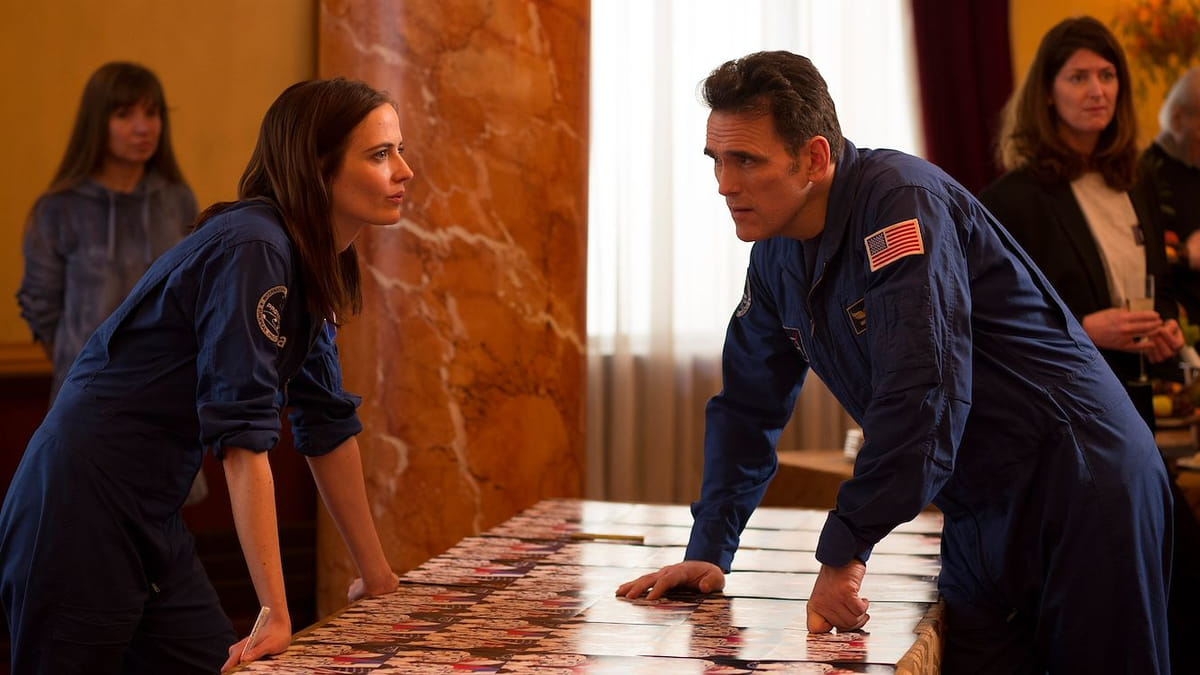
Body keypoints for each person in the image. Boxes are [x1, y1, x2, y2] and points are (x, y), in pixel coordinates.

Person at [615, 50, 1172, 673]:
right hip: (977, 502)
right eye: (716, 160)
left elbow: (922, 391)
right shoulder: (774, 254)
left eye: (746, 160)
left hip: (1078, 481)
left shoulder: (901, 204)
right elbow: (747, 406)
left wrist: (846, 551)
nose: (724, 184)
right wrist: (710, 548)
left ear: (815, 158)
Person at [0, 77, 412, 674]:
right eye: (380, 154)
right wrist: (275, 610)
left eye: (399, 150)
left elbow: (325, 421)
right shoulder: (255, 245)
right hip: (76, 509)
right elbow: (242, 434)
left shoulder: (313, 256)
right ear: (317, 169)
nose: (404, 170)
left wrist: (376, 577)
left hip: (153, 512)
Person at [979, 16, 1184, 430]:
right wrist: (1084, 327)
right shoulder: (1011, 199)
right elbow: (992, 317)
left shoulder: (1138, 181)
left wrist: (1165, 327)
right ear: (1047, 94)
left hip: (1136, 399)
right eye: (1078, 78)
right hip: (1062, 412)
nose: (1097, 91)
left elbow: (1158, 287)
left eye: (1107, 75)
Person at [17, 61, 197, 402]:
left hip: (164, 392)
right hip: (84, 396)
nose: (143, 128)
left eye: (152, 113)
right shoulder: (59, 207)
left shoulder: (177, 200)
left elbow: (191, 294)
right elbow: (41, 306)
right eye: (124, 115)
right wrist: (80, 363)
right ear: (97, 123)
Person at [1138, 66, 1200, 331]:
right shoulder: (1146, 173)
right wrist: (1185, 254)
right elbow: (1138, 251)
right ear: (1177, 119)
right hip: (1176, 320)